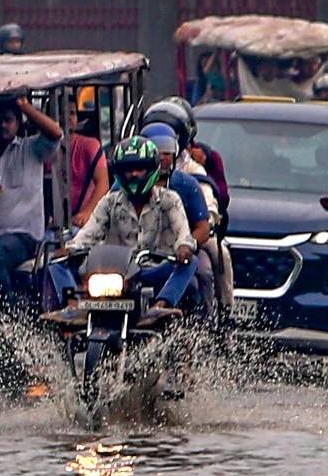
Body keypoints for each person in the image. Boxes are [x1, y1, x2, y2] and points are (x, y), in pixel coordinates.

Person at [46, 136, 197, 323]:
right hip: (116, 271)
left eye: (139, 169)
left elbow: (184, 233)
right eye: (128, 170)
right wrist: (70, 248)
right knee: (56, 261)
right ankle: (73, 307)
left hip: (154, 269)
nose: (133, 174)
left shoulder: (170, 199)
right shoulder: (110, 202)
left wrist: (184, 248)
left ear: (151, 170)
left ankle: (160, 307)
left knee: (192, 262)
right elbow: (89, 232)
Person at [0, 94, 62, 302]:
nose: (2, 125)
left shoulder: (32, 149)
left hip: (25, 237)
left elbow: (55, 133)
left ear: (18, 123)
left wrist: (24, 105)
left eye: (8, 120)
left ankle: (6, 317)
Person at [141, 121, 215, 312]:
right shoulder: (124, 185)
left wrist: (186, 245)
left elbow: (203, 227)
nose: (163, 158)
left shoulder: (187, 184)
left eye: (168, 153)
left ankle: (208, 325)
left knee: (203, 273)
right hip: (136, 254)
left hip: (177, 253)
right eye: (158, 153)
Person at [67, 95, 109, 227]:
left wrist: (87, 213)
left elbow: (103, 183)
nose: (67, 118)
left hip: (85, 221)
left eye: (72, 113)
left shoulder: (90, 145)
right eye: (61, 112)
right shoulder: (43, 149)